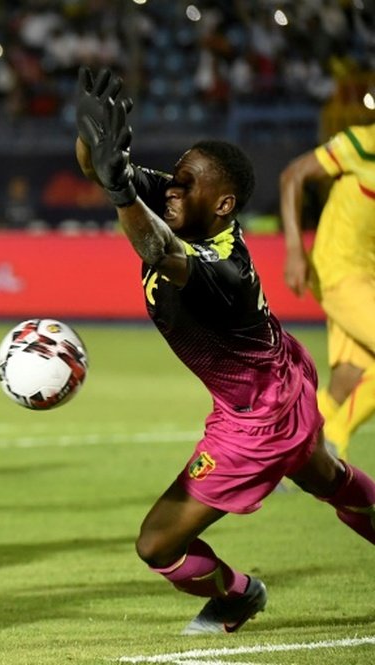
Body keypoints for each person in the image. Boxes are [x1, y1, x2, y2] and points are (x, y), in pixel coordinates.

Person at [75, 67, 375, 636]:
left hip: (257, 420)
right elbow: (99, 168)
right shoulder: (179, 200)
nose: (172, 188)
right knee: (328, 478)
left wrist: (118, 190)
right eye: (174, 178)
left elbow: (158, 250)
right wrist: (90, 135)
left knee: (157, 543)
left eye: (186, 182)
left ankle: (237, 595)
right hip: (280, 382)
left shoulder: (225, 268)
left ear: (224, 203)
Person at [279, 122, 375, 460]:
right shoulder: (363, 143)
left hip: (367, 277)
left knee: (351, 377)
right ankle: (332, 441)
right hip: (337, 271)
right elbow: (293, 175)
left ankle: (282, 456)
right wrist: (294, 249)